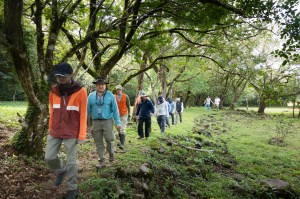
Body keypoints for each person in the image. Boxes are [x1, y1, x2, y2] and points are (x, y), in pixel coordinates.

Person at [45, 62, 87, 199]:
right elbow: (52, 111)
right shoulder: (53, 90)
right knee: (49, 157)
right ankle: (61, 170)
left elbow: (83, 114)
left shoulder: (81, 91)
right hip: (55, 130)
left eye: (63, 76)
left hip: (72, 131)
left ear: (71, 75)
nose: (60, 79)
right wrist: (50, 128)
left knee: (71, 162)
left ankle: (72, 188)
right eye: (58, 76)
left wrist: (81, 134)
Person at [88, 77, 121, 169]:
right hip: (95, 121)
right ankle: (101, 160)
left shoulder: (110, 95)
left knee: (109, 139)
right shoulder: (91, 96)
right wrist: (82, 123)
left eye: (103, 84)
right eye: (99, 84)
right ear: (96, 85)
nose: (101, 86)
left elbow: (115, 110)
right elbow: (87, 110)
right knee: (98, 141)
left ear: (105, 85)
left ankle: (111, 152)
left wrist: (117, 122)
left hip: (108, 121)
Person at [114, 85, 131, 149]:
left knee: (122, 129)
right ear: (116, 90)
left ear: (122, 90)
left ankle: (122, 144)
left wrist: (129, 114)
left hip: (124, 115)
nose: (119, 90)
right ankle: (121, 141)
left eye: (120, 89)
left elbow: (128, 106)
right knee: (118, 128)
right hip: (116, 115)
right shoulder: (114, 97)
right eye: (117, 89)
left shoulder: (126, 96)